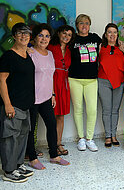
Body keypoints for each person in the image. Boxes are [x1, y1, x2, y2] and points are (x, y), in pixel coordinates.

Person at [26, 23, 69, 170]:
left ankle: (54, 155)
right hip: (32, 98)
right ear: (35, 37)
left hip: (46, 97)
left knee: (51, 125)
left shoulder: (50, 54)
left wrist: (52, 94)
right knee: (31, 129)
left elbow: (50, 76)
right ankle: (32, 158)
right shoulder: (29, 53)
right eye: (41, 35)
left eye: (47, 36)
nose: (44, 39)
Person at [0, 22, 35, 182]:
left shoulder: (27, 55)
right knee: (10, 138)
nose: (24, 36)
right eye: (20, 33)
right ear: (14, 36)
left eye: (26, 33)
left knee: (21, 136)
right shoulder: (8, 56)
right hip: (12, 105)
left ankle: (18, 164)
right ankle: (9, 171)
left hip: (25, 105)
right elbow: (1, 80)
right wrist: (7, 104)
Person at [69, 14, 102, 151]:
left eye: (87, 23)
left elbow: (109, 45)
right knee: (78, 109)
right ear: (77, 25)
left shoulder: (95, 38)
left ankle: (90, 139)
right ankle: (81, 139)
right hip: (74, 78)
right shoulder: (73, 39)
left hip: (91, 79)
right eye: (81, 23)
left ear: (90, 25)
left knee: (92, 110)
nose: (84, 25)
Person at [98, 23, 124, 148]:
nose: (112, 35)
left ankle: (114, 135)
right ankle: (108, 136)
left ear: (117, 35)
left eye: (115, 32)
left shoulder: (121, 48)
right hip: (103, 81)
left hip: (119, 82)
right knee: (106, 110)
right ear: (105, 34)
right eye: (109, 32)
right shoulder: (100, 47)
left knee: (115, 110)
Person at [48, 25, 75, 155]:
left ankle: (58, 143)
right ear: (58, 33)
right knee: (51, 116)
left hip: (64, 84)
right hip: (52, 83)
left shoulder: (70, 50)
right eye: (64, 33)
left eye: (69, 35)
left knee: (61, 116)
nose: (66, 37)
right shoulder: (50, 47)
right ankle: (52, 145)